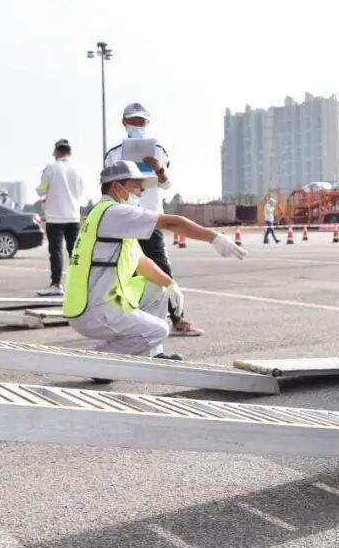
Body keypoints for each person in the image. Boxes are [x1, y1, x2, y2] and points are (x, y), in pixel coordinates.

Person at [63, 161, 246, 359]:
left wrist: (170, 284)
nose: (141, 192)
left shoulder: (105, 215)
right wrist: (214, 237)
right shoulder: (114, 212)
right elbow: (170, 222)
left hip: (96, 303)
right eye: (136, 187)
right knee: (158, 330)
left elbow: (141, 261)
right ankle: (93, 358)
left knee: (157, 288)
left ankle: (153, 355)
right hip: (94, 311)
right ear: (116, 187)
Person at [104, 102, 203, 336]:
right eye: (133, 121)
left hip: (150, 218)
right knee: (124, 271)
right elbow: (108, 186)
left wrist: (159, 170)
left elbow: (166, 184)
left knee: (161, 267)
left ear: (147, 123)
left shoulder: (159, 150)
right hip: (125, 219)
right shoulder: (114, 154)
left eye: (141, 121)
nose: (137, 125)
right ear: (124, 122)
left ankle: (178, 319)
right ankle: (125, 321)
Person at [36, 139, 84, 296]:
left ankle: (56, 284)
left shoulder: (51, 168)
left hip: (55, 217)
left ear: (56, 152)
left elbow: (41, 190)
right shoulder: (77, 169)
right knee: (74, 252)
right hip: (73, 216)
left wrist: (45, 194)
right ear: (70, 152)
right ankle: (79, 284)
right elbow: (80, 192)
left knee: (56, 251)